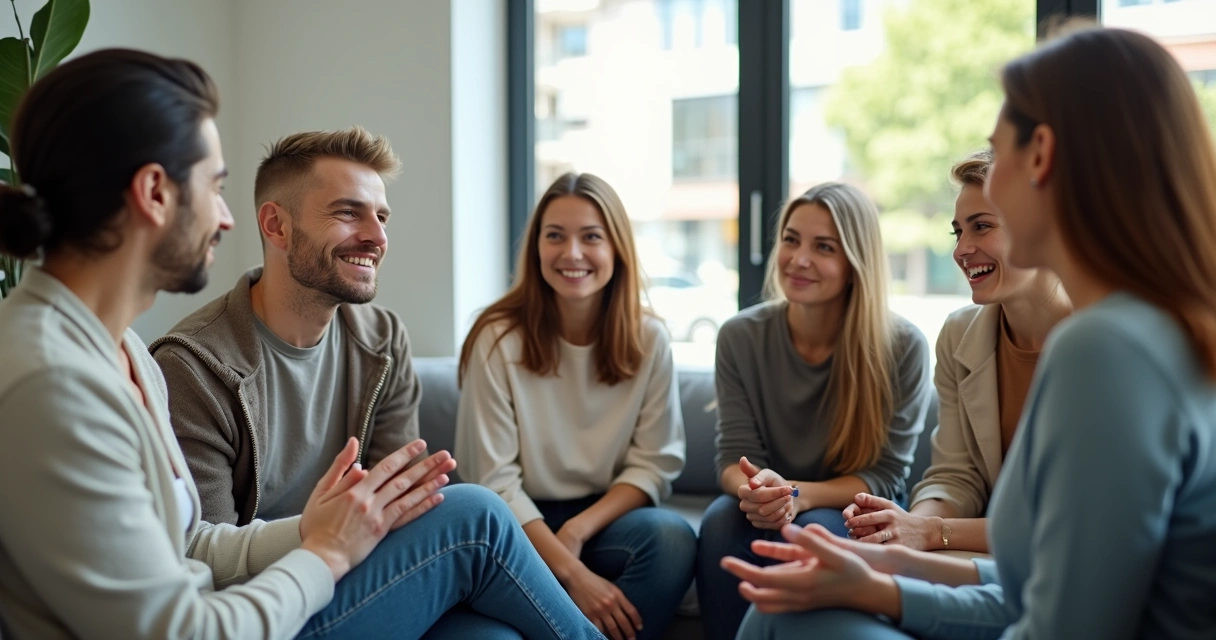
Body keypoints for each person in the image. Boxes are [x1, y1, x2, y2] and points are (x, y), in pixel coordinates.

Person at [0, 48, 602, 640]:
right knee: (476, 519)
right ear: (155, 193)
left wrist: (314, 530)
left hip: (273, 594)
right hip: (240, 617)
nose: (225, 217)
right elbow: (182, 626)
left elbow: (186, 543)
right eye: (215, 187)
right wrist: (327, 553)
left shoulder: (124, 354)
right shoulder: (56, 382)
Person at [726, 24, 1216, 639]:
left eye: (998, 147)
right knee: (791, 606)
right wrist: (890, 574)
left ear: (1041, 158)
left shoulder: (1106, 350)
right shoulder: (1151, 327)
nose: (966, 242)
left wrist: (899, 579)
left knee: (783, 619)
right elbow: (1044, 590)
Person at [455, 172, 695, 640]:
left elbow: (654, 463)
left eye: (591, 237)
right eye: (555, 236)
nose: (572, 254)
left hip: (604, 517)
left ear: (616, 249)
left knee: (670, 539)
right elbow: (494, 481)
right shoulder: (496, 337)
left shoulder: (650, 339)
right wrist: (570, 572)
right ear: (536, 248)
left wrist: (577, 532)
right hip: (515, 523)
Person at [151, 127, 424, 527]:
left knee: (469, 514)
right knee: (476, 514)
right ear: (276, 225)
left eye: (381, 216)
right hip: (266, 586)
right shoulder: (193, 368)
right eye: (348, 212)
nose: (377, 237)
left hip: (367, 564)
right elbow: (208, 555)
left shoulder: (383, 340)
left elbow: (401, 510)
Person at [695, 181, 932, 640]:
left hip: (853, 506)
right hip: (770, 498)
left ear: (854, 263)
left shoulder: (903, 346)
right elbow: (733, 456)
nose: (798, 259)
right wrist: (756, 490)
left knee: (818, 530)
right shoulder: (740, 336)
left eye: (823, 247)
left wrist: (795, 495)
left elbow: (883, 474)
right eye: (790, 239)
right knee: (723, 520)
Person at [841, 151, 1071, 555]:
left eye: (981, 227)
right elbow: (955, 474)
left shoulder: (1108, 343)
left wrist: (932, 533)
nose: (961, 250)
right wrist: (907, 527)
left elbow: (1076, 518)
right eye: (957, 232)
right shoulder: (959, 334)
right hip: (993, 555)